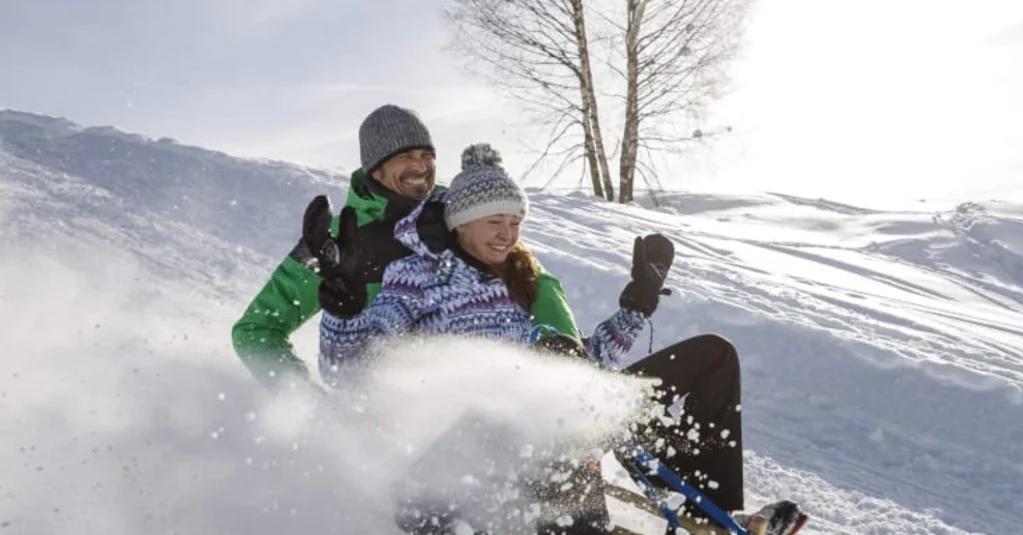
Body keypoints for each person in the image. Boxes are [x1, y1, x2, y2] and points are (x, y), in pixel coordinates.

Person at [309, 143, 809, 535]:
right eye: (495, 222)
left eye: (515, 222)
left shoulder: (519, 280)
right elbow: (350, 371)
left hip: (544, 423)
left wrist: (636, 303)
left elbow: (583, 365)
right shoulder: (415, 276)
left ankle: (713, 519)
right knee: (542, 412)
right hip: (456, 455)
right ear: (461, 222)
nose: (508, 234)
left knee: (712, 356)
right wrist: (344, 304)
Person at [230, 104, 442, 392]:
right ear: (375, 167)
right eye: (404, 156)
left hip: (475, 402)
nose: (420, 166)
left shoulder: (461, 214)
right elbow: (256, 331)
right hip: (384, 415)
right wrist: (307, 401)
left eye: (427, 155)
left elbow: (522, 280)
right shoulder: (334, 239)